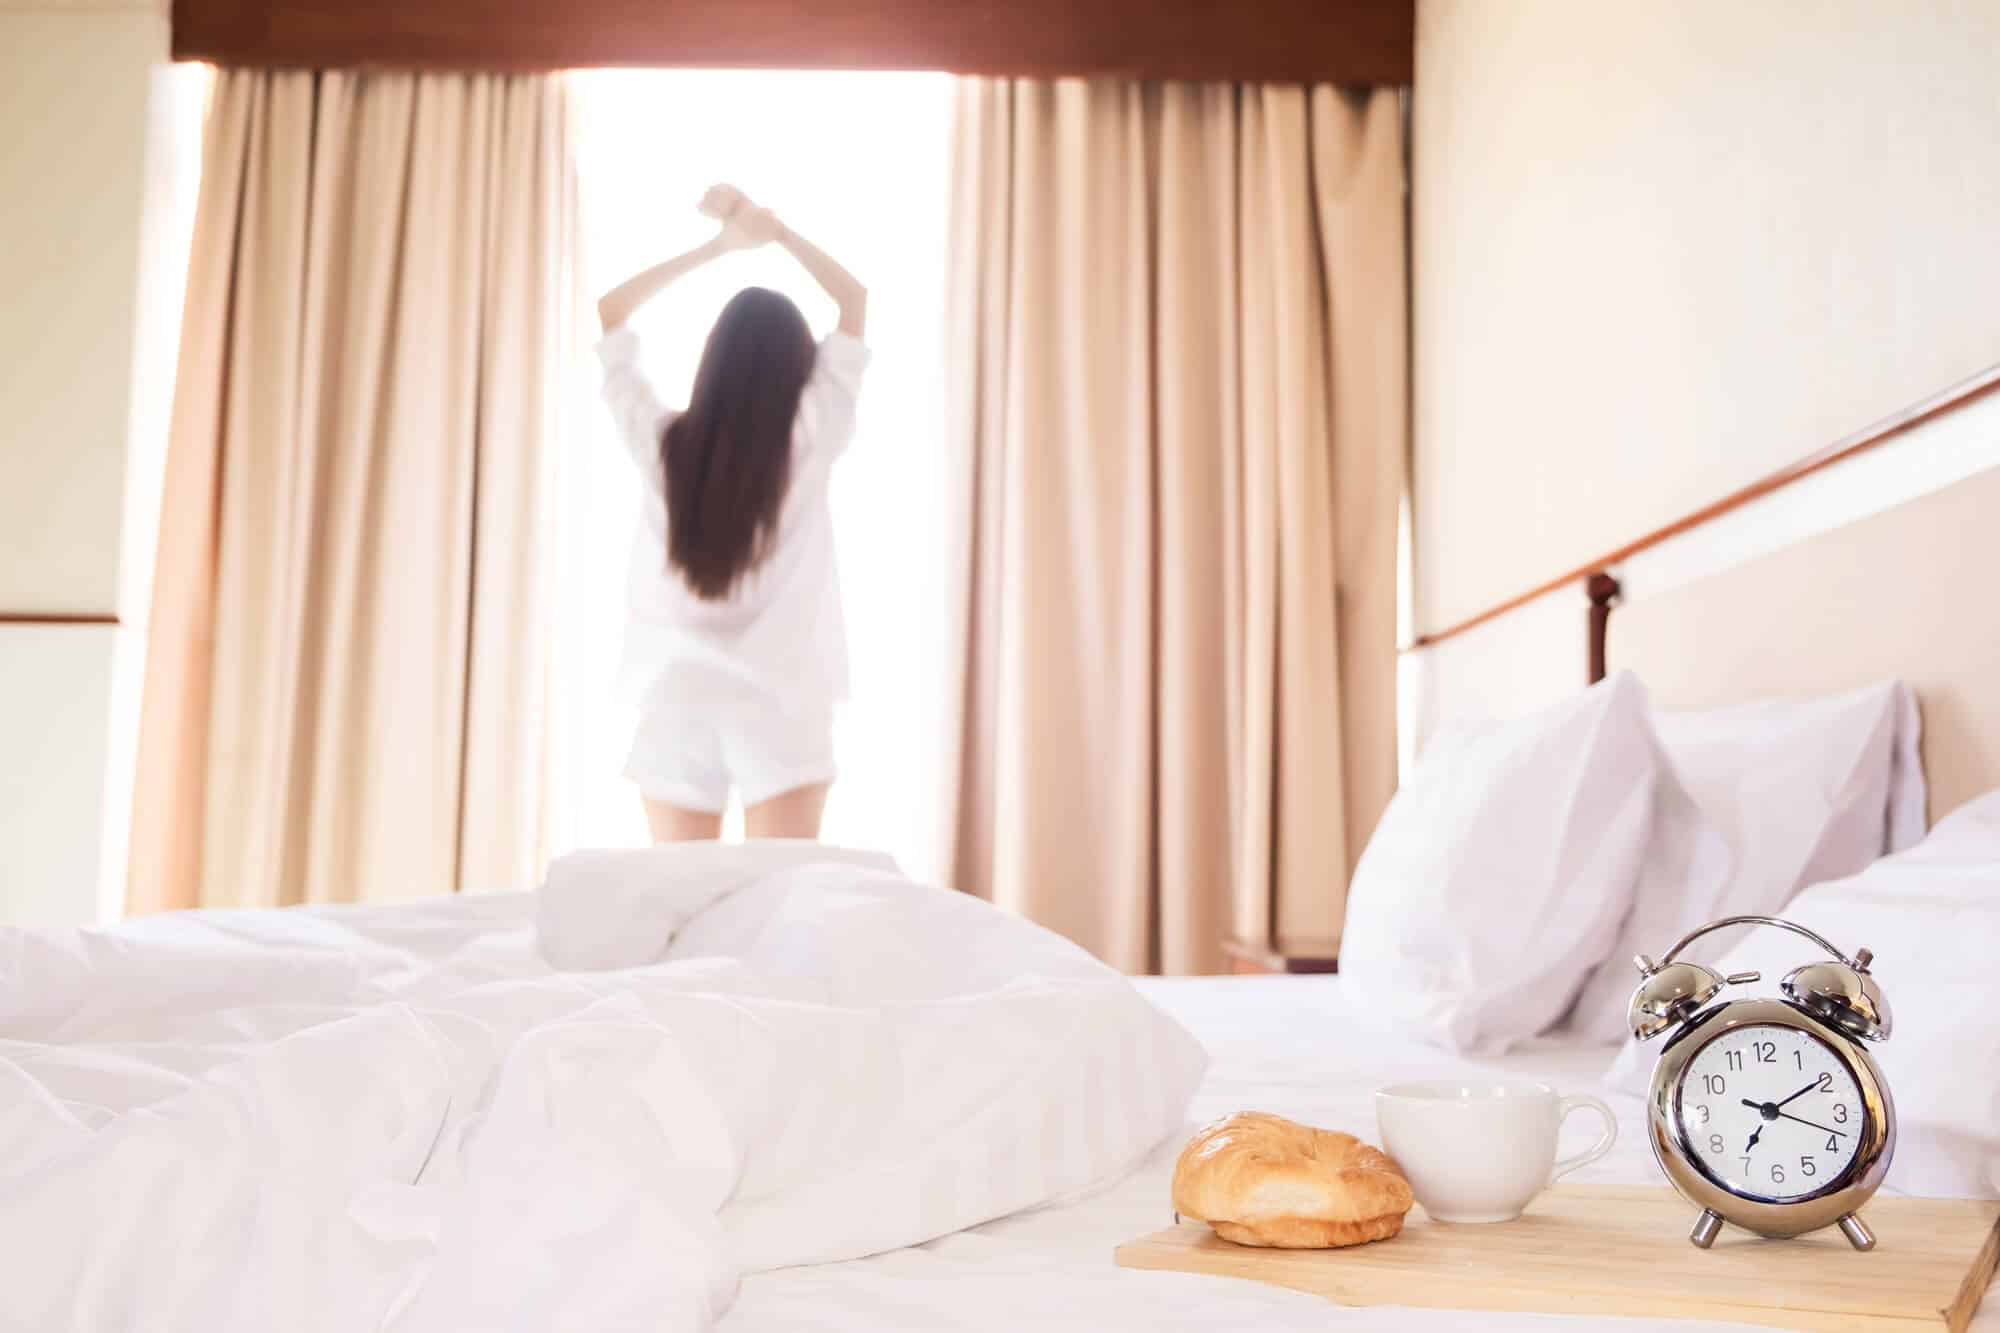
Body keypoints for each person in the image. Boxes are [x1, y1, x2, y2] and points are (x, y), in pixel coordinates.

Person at [595, 184, 868, 843]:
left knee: (677, 907)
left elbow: (611, 314)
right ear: (799, 366)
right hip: (785, 700)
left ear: (710, 365)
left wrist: (719, 248)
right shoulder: (811, 433)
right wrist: (779, 235)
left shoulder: (662, 446)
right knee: (782, 908)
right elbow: (854, 301)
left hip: (677, 698)